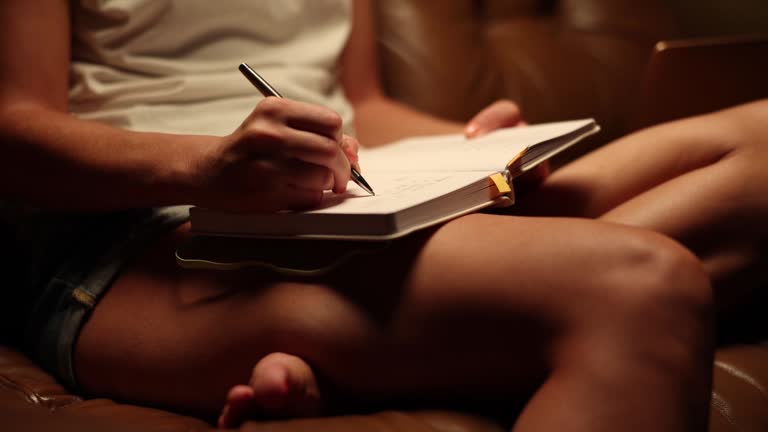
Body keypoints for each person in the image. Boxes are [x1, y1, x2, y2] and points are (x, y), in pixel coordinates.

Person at [1, 0, 766, 431]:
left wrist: (471, 144)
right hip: (146, 232)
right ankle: (508, 314)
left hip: (342, 198)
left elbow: (359, 105)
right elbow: (14, 130)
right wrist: (210, 168)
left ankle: (423, 340)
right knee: (638, 286)